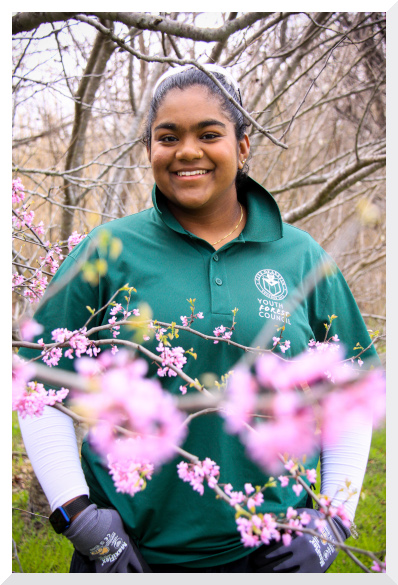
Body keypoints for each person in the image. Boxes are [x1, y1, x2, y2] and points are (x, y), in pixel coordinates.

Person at [17, 64, 379, 573]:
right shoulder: (108, 251)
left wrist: (333, 521)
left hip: (273, 560)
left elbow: (350, 391)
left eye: (209, 134)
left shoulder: (302, 260)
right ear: (149, 150)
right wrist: (80, 518)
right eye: (168, 137)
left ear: (243, 145)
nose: (187, 151)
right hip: (129, 561)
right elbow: (37, 384)